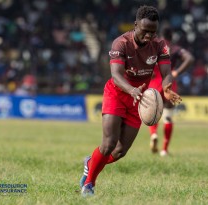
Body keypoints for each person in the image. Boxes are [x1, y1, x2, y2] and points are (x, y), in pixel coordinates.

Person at [79, 5, 182, 197]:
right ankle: (89, 184)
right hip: (117, 93)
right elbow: (116, 75)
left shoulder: (160, 45)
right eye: (145, 31)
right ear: (136, 25)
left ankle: (90, 162)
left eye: (153, 32)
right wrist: (131, 89)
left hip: (139, 99)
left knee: (119, 152)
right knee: (109, 143)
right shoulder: (121, 43)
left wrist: (167, 88)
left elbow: (166, 73)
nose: (149, 36)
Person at [148, 27, 194, 156]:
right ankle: (164, 150)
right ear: (172, 37)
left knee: (153, 114)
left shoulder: (153, 46)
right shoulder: (175, 48)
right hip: (169, 83)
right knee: (168, 116)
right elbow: (189, 58)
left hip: (154, 82)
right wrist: (177, 72)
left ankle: (154, 134)